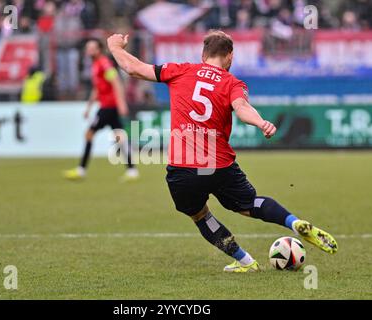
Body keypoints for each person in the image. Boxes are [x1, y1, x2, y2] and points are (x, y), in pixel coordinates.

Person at [106, 30, 338, 273]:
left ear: (203, 54)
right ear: (229, 56)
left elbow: (133, 68)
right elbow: (242, 108)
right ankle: (294, 222)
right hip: (218, 165)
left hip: (183, 168)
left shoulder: (180, 70)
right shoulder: (232, 83)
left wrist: (115, 47)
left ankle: (245, 261)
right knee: (250, 204)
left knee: (200, 216)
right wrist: (261, 123)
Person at [64, 38, 138, 181]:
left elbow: (116, 82)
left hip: (108, 107)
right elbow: (97, 89)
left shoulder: (104, 64)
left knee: (89, 134)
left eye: (92, 47)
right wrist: (89, 107)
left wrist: (122, 103)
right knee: (120, 138)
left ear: (99, 49)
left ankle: (81, 170)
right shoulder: (95, 65)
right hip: (108, 107)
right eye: (88, 47)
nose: (89, 50)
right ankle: (132, 171)